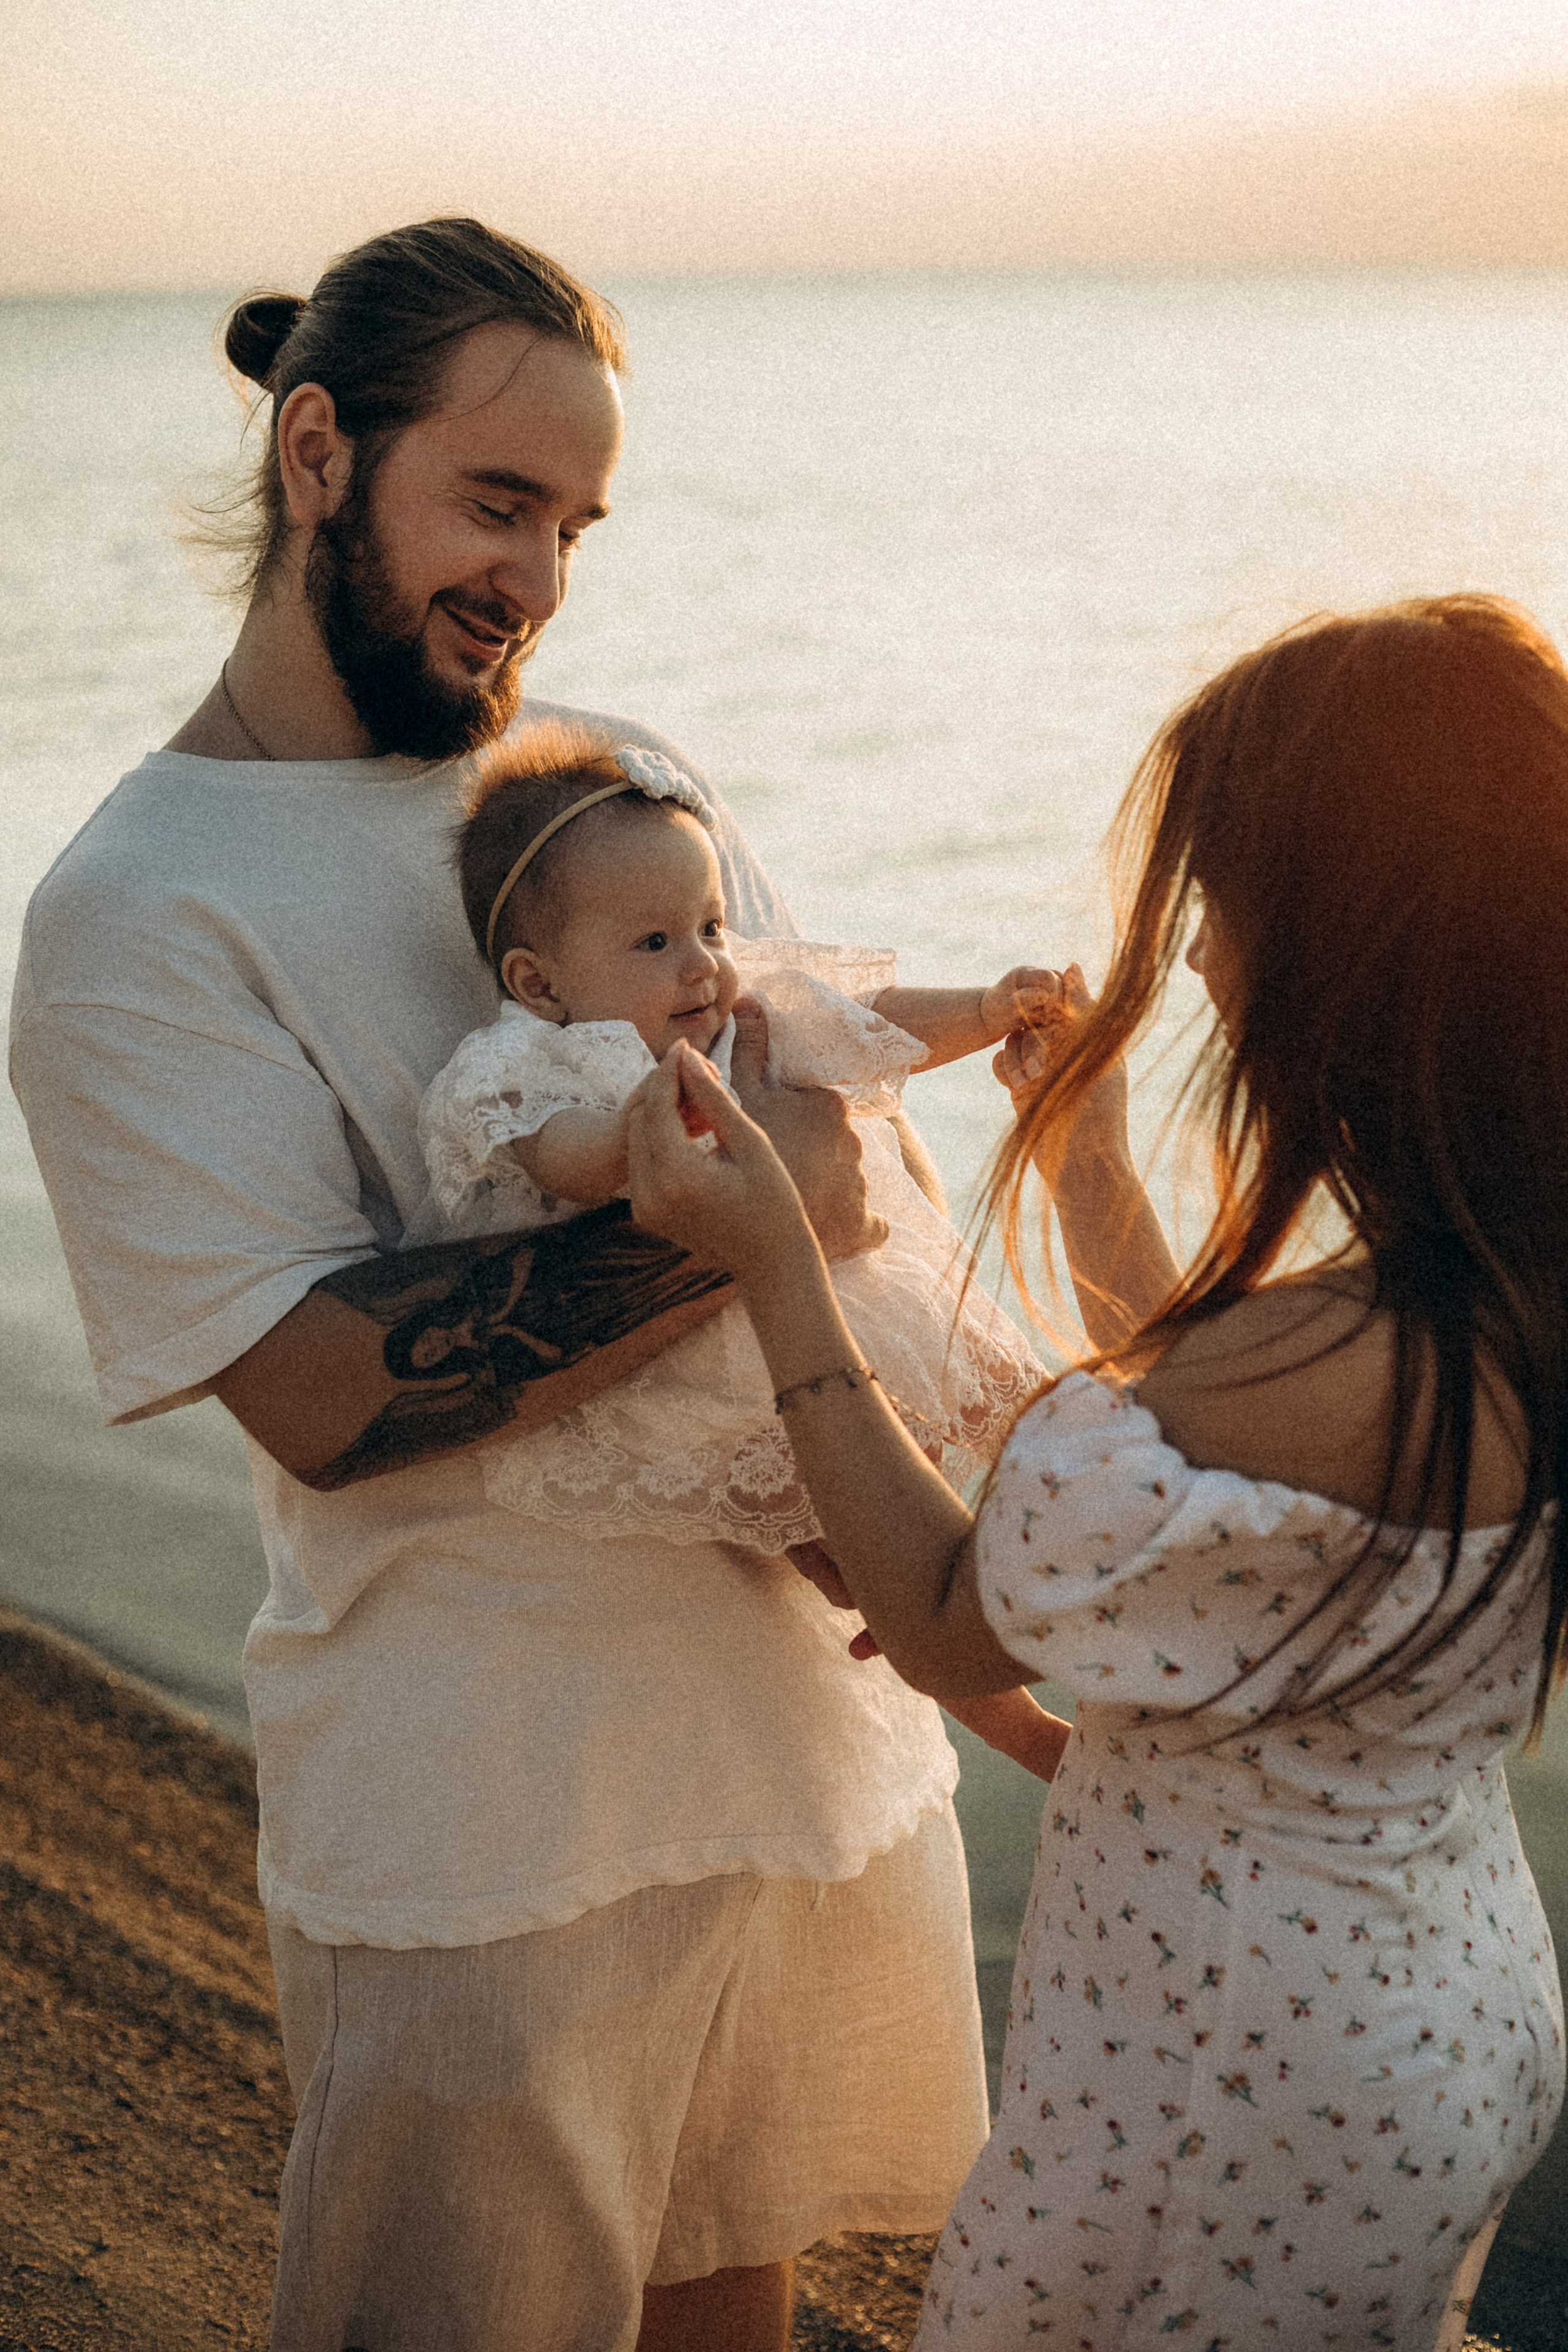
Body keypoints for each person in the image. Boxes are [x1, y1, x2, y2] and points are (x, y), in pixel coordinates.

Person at [9, 218, 1014, 2351]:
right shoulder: (138, 906)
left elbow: (810, 1098)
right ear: (314, 457)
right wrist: (736, 1224)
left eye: (573, 521)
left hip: (789, 1741)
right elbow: (315, 1391)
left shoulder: (609, 777)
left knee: (744, 2309)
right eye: (494, 501)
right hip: (488, 1821)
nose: (539, 578)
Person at [624, 593, 1568, 2351]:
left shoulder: (1291, 1365)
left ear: (1353, 939)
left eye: (1225, 900)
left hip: (1223, 2078)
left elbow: (944, 1618)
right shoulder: (1499, 1284)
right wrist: (1088, 1183)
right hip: (1441, 2011)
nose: (1200, 959)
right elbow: (1253, 1467)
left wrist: (781, 1264)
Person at [412, 717, 1072, 1776]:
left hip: (817, 1326)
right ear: (539, 984)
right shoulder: (523, 1065)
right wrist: (640, 1130)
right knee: (875, 1554)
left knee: (954, 1512)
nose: (705, 965)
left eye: (712, 925)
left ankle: (1079, 1677)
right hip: (684, 1376)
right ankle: (1032, 1730)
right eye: (655, 943)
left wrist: (989, 1010)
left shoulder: (734, 1019)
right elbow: (563, 1157)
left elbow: (872, 1022)